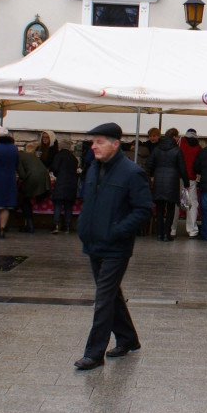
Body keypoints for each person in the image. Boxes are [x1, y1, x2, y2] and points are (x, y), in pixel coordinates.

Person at [73, 122, 153, 371]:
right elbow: (89, 203)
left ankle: (94, 353)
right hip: (94, 242)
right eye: (93, 142)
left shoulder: (131, 172)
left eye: (99, 141)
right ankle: (128, 339)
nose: (94, 146)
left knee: (104, 298)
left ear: (115, 144)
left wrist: (118, 230)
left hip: (116, 247)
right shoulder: (94, 168)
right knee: (111, 295)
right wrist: (84, 227)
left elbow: (144, 209)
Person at [146, 128, 188, 242]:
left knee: (159, 210)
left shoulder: (157, 149)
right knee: (170, 210)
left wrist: (157, 169)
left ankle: (159, 234)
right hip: (172, 182)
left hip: (158, 181)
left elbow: (149, 163)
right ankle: (167, 234)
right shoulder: (177, 150)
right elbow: (183, 168)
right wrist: (186, 183)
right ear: (174, 137)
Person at [17, 142, 51, 233]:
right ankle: (29, 225)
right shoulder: (29, 156)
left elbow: (23, 175)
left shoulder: (18, 157)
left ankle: (30, 226)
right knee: (26, 199)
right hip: (44, 177)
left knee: (24, 199)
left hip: (33, 177)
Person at [175, 128, 202, 238]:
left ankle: (172, 229)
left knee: (176, 203)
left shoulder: (180, 142)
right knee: (192, 204)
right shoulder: (198, 147)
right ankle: (192, 230)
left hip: (178, 177)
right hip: (191, 178)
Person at [51, 139, 79, 234]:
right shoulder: (74, 158)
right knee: (68, 206)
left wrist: (56, 174)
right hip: (72, 184)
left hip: (61, 183)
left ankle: (56, 225)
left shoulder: (59, 156)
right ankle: (67, 226)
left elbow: (55, 168)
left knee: (58, 205)